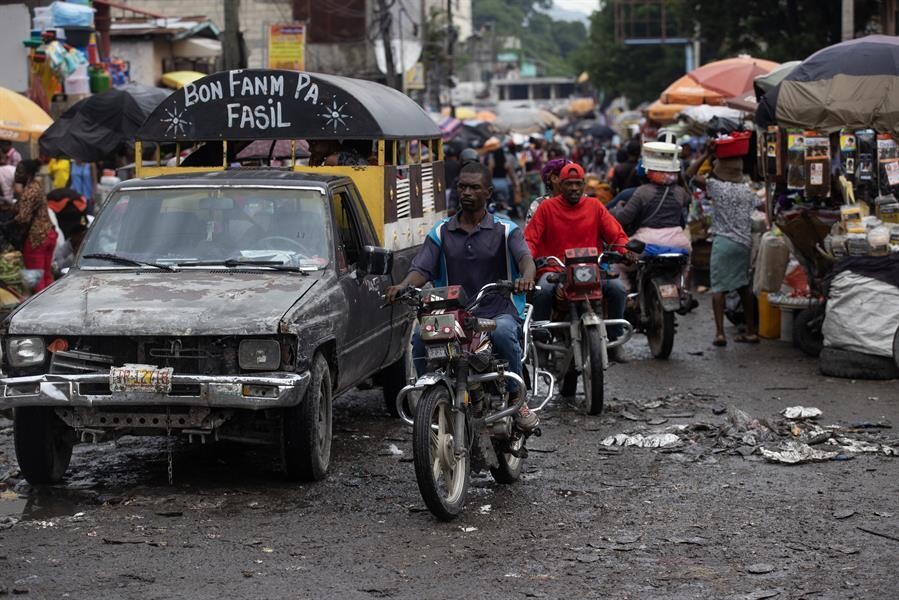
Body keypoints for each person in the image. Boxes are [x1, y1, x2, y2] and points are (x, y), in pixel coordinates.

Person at [386, 161, 539, 431]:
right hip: (453, 313)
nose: (466, 192)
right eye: (462, 186)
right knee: (421, 339)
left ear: (488, 193)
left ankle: (517, 395)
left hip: (497, 309)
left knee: (503, 333)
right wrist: (404, 285)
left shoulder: (505, 229)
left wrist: (525, 278)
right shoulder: (441, 231)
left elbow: (525, 259)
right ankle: (430, 400)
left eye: (474, 187)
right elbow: (421, 268)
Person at [525, 162, 633, 362]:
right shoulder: (546, 207)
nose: (574, 188)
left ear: (583, 185)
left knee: (617, 289)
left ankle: (614, 338)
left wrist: (626, 250)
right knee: (543, 292)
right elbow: (531, 239)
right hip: (556, 270)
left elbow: (615, 234)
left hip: (591, 269)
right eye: (569, 184)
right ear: (561, 185)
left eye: (578, 184)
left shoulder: (595, 206)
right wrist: (526, 259)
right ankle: (542, 342)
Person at [686, 150, 759, 346]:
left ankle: (720, 333)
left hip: (724, 242)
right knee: (744, 287)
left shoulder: (716, 187)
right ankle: (751, 331)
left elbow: (689, 175)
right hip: (744, 243)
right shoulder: (747, 191)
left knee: (718, 288)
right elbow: (759, 208)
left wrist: (706, 154)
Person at [611, 142, 691, 289]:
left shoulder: (642, 192)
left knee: (617, 264)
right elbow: (688, 198)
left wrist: (618, 208)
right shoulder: (680, 192)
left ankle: (628, 296)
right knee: (685, 264)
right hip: (679, 242)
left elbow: (624, 218)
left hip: (647, 243)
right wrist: (679, 175)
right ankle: (681, 289)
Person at [14, 159, 57, 292]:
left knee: (36, 279)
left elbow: (23, 218)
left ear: (28, 174)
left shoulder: (28, 192)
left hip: (36, 239)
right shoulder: (37, 186)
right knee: (47, 275)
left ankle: (40, 309)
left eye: (19, 172)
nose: (16, 175)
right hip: (49, 234)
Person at [525, 157, 569, 224]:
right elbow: (529, 232)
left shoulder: (583, 200)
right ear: (554, 178)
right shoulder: (538, 205)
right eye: (567, 175)